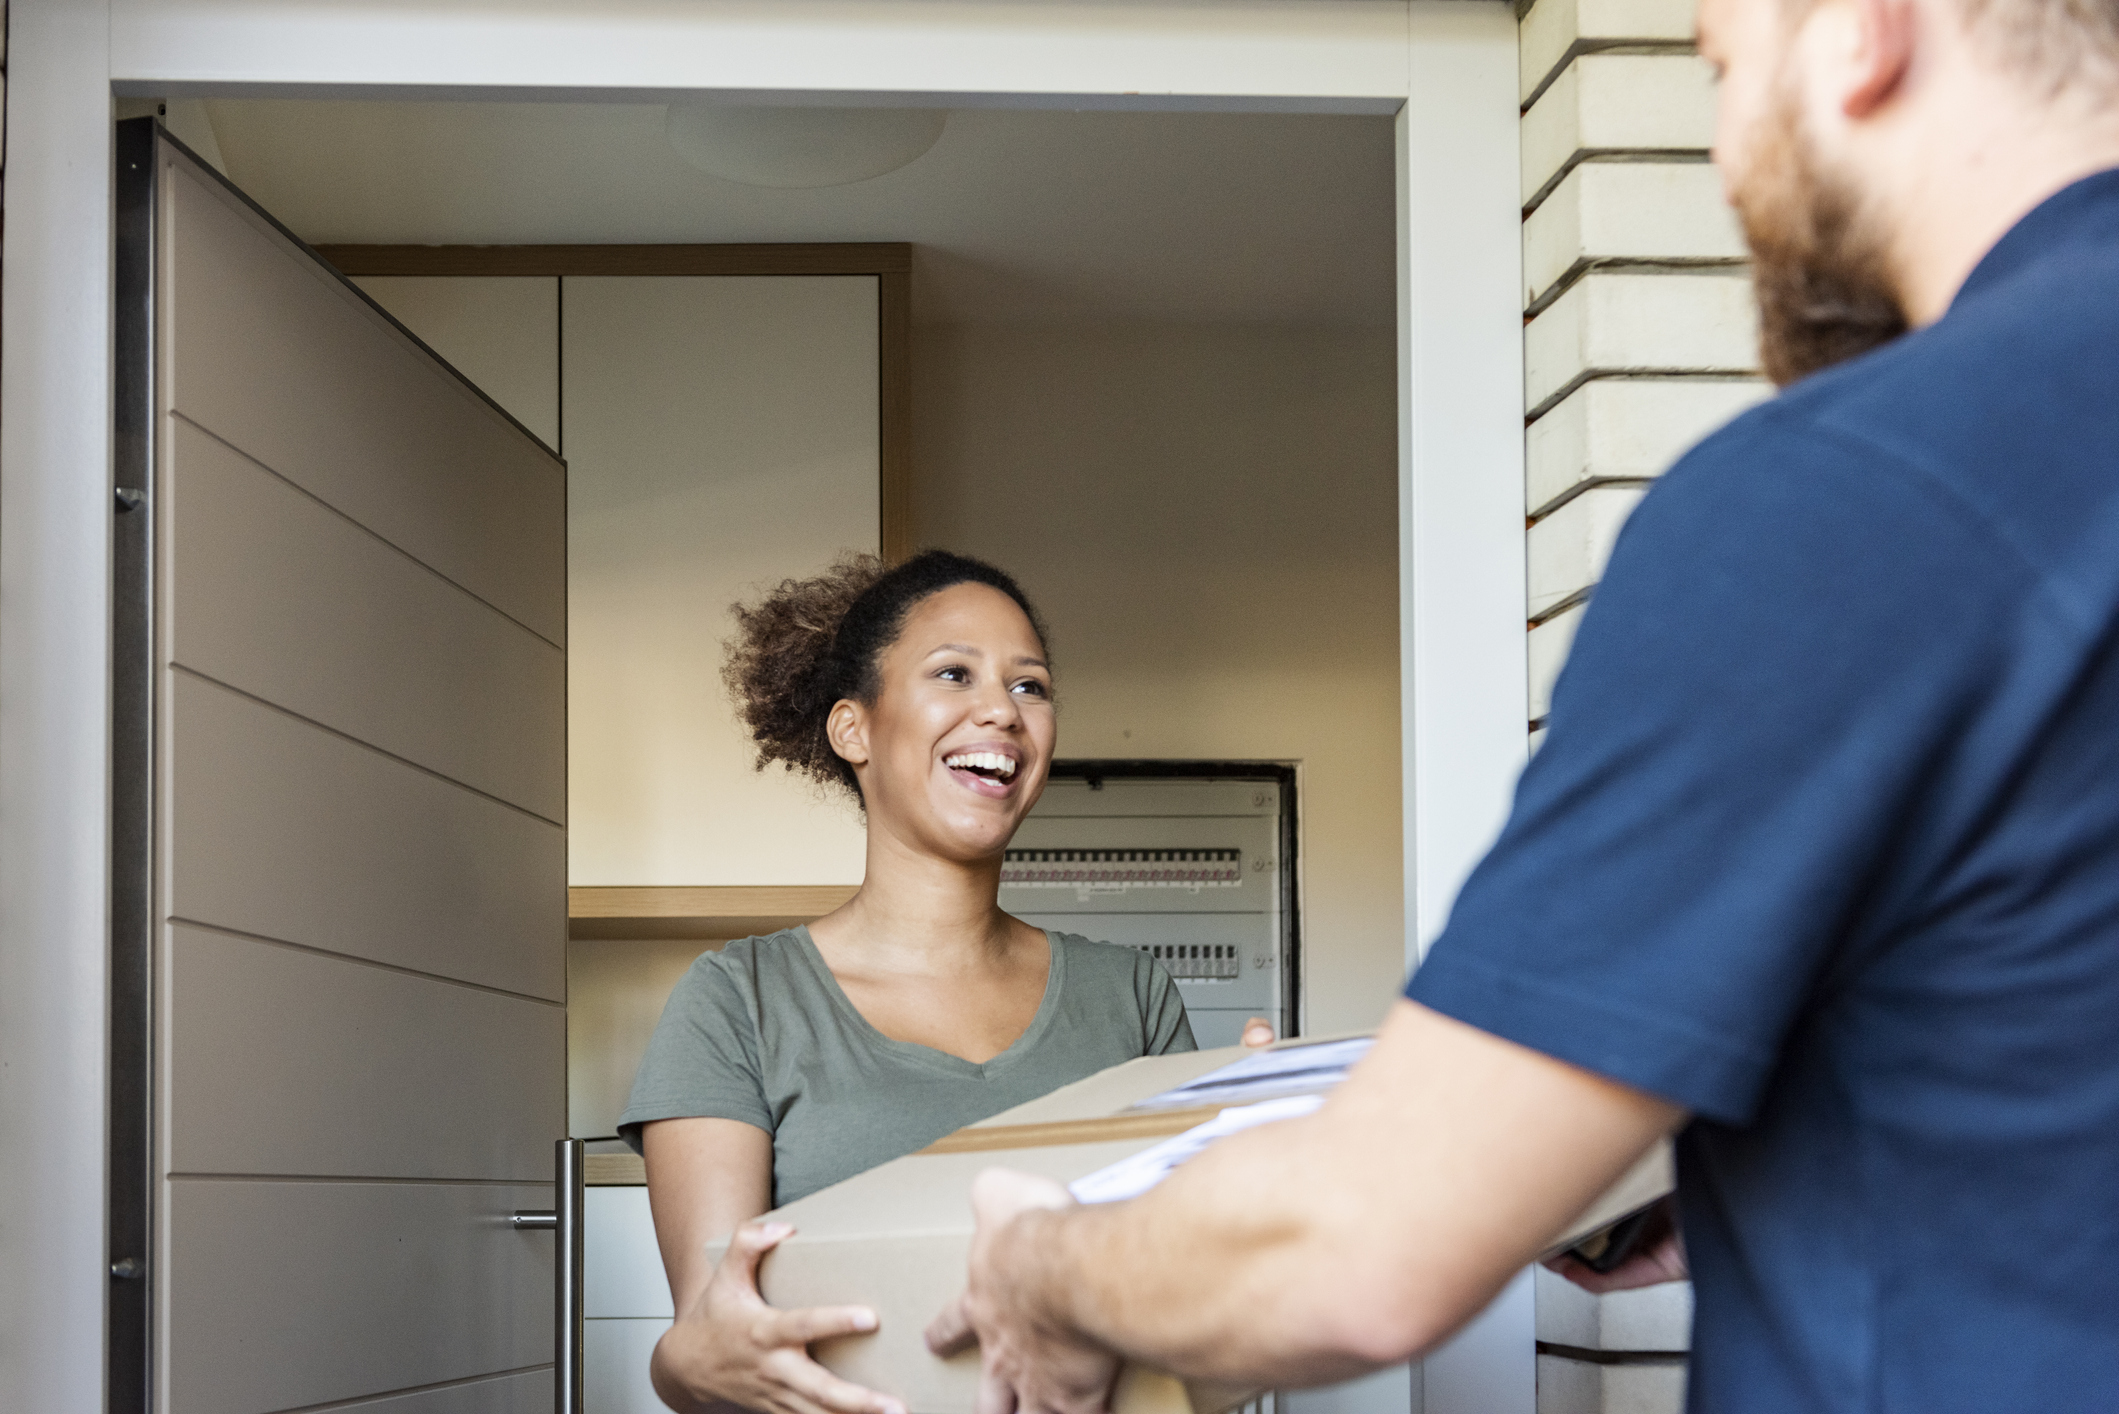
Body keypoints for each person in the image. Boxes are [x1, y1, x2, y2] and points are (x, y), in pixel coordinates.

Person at [925, 0, 2119, 1408]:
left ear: (1858, 30)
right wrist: (1782, 1163)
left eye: (1722, 76)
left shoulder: (1842, 493)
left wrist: (1041, 1274)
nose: (1727, 163)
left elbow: (1351, 1249)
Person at [621, 550, 1270, 1414]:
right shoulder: (737, 1000)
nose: (1001, 710)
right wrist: (685, 1364)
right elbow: (704, 1347)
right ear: (854, 729)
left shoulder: (1132, 997)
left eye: (1029, 687)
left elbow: (1186, 1306)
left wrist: (1249, 1161)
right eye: (954, 674)